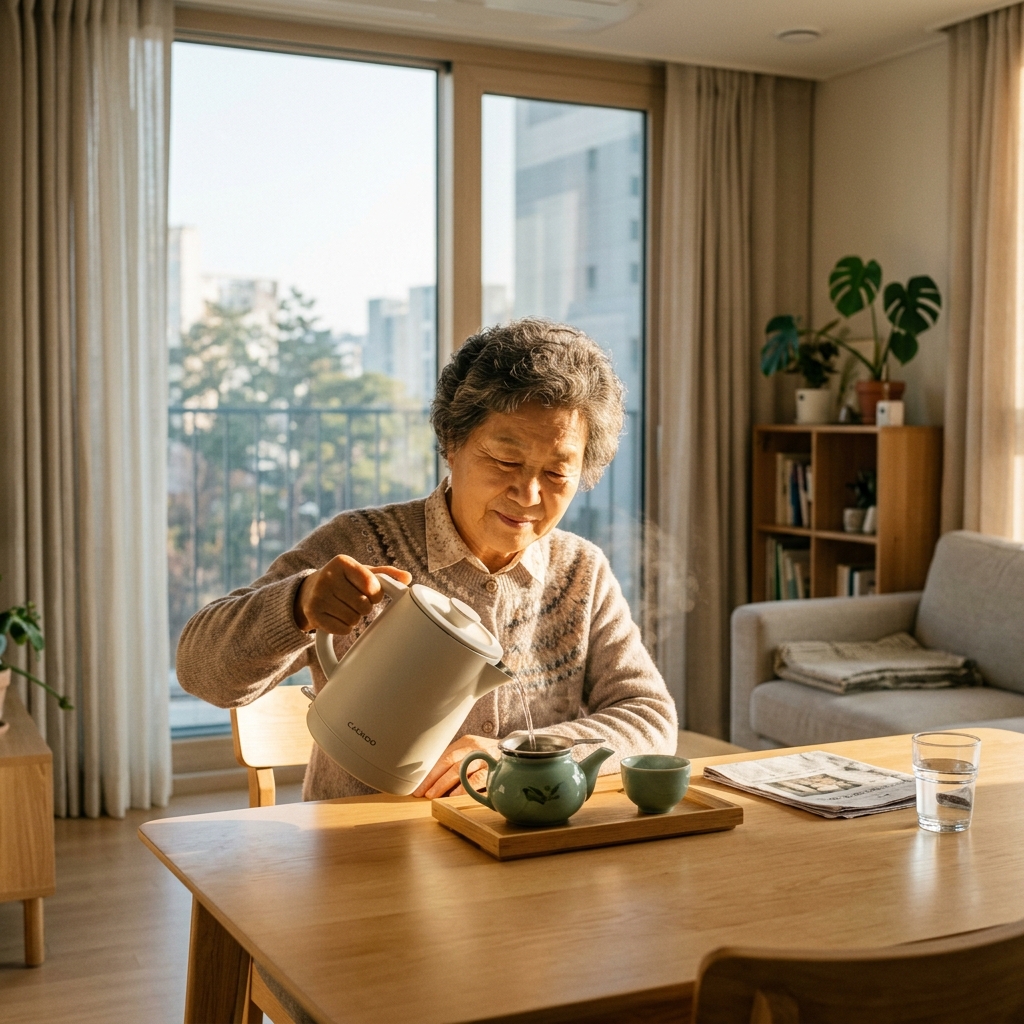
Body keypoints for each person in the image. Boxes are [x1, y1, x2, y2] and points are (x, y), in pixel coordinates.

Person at [176, 317, 678, 800]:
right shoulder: (363, 543)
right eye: (505, 461)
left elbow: (650, 717)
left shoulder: (579, 572)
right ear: (452, 443)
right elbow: (200, 670)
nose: (528, 494)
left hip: (523, 856)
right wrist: (299, 605)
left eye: (556, 474)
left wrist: (515, 753)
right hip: (366, 850)